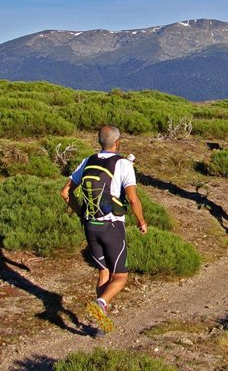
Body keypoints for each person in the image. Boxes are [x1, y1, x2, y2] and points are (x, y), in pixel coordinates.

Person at [60, 126, 147, 335]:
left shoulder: (88, 161)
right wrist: (141, 222)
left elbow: (65, 192)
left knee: (104, 272)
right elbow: (133, 199)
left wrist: (81, 213)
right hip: (112, 225)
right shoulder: (124, 164)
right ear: (117, 143)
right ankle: (100, 302)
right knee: (120, 276)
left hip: (90, 225)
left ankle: (100, 326)